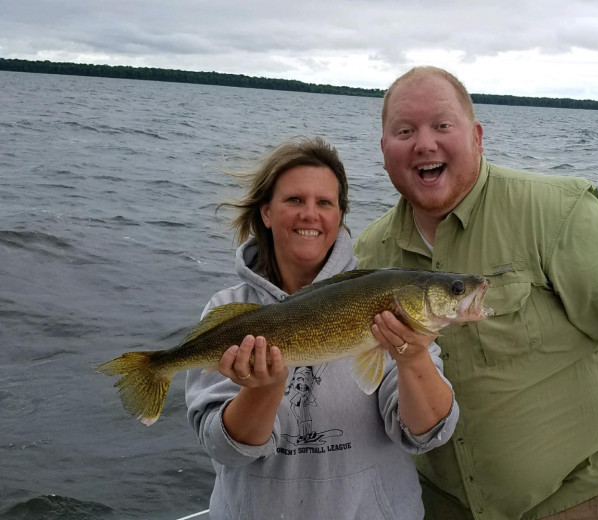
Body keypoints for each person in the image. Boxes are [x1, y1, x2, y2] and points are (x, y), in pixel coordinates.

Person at [354, 66, 598, 520]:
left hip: (577, 499)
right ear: (384, 149)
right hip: (435, 505)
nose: (424, 143)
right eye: (405, 130)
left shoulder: (555, 211)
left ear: (476, 136)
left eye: (442, 125)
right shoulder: (371, 250)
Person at [185, 136, 459, 519]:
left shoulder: (390, 303)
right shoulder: (229, 310)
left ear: (340, 216)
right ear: (266, 212)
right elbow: (224, 449)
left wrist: (413, 357)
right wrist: (262, 391)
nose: (310, 214)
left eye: (325, 203)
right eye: (295, 200)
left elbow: (426, 434)